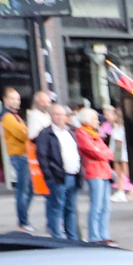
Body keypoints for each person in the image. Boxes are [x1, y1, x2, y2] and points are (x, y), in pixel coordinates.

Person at [33, 99, 80, 240]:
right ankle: (57, 237)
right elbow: (42, 156)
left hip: (73, 175)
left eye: (62, 114)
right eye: (57, 114)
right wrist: (49, 176)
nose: (60, 117)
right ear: (51, 116)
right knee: (56, 208)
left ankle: (72, 238)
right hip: (57, 177)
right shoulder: (46, 134)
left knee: (70, 209)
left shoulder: (70, 133)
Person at [73, 106, 115, 244]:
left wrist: (102, 154)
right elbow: (93, 152)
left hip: (104, 171)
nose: (98, 121)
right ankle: (94, 235)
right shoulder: (81, 133)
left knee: (105, 206)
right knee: (96, 205)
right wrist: (102, 154)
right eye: (95, 118)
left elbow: (108, 153)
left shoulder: (94, 134)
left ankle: (104, 234)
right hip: (94, 172)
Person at [0, 88, 33, 228]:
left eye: (17, 99)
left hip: (24, 155)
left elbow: (25, 132)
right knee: (23, 190)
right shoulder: (7, 117)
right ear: (5, 100)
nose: (16, 101)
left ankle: (24, 220)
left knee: (28, 189)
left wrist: (26, 131)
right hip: (19, 156)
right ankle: (23, 222)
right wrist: (28, 131)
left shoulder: (15, 116)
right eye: (12, 98)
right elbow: (22, 134)